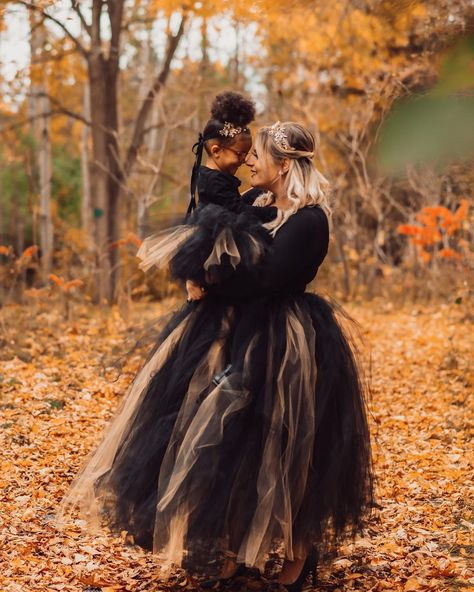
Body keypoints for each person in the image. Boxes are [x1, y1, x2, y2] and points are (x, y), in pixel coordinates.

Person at [57, 121, 374, 592]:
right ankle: (231, 548)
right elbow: (209, 221)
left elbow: (267, 278)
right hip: (232, 331)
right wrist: (216, 165)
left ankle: (296, 556)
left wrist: (210, 282)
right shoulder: (257, 202)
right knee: (226, 440)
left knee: (286, 445)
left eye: (258, 156)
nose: (250, 160)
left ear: (284, 165)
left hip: (283, 342)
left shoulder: (309, 220)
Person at [188, 90, 276, 223]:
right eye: (240, 154)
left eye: (247, 154)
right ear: (216, 151)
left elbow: (234, 202)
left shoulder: (216, 177)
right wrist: (276, 212)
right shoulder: (214, 182)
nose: (245, 160)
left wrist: (257, 192)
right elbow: (238, 210)